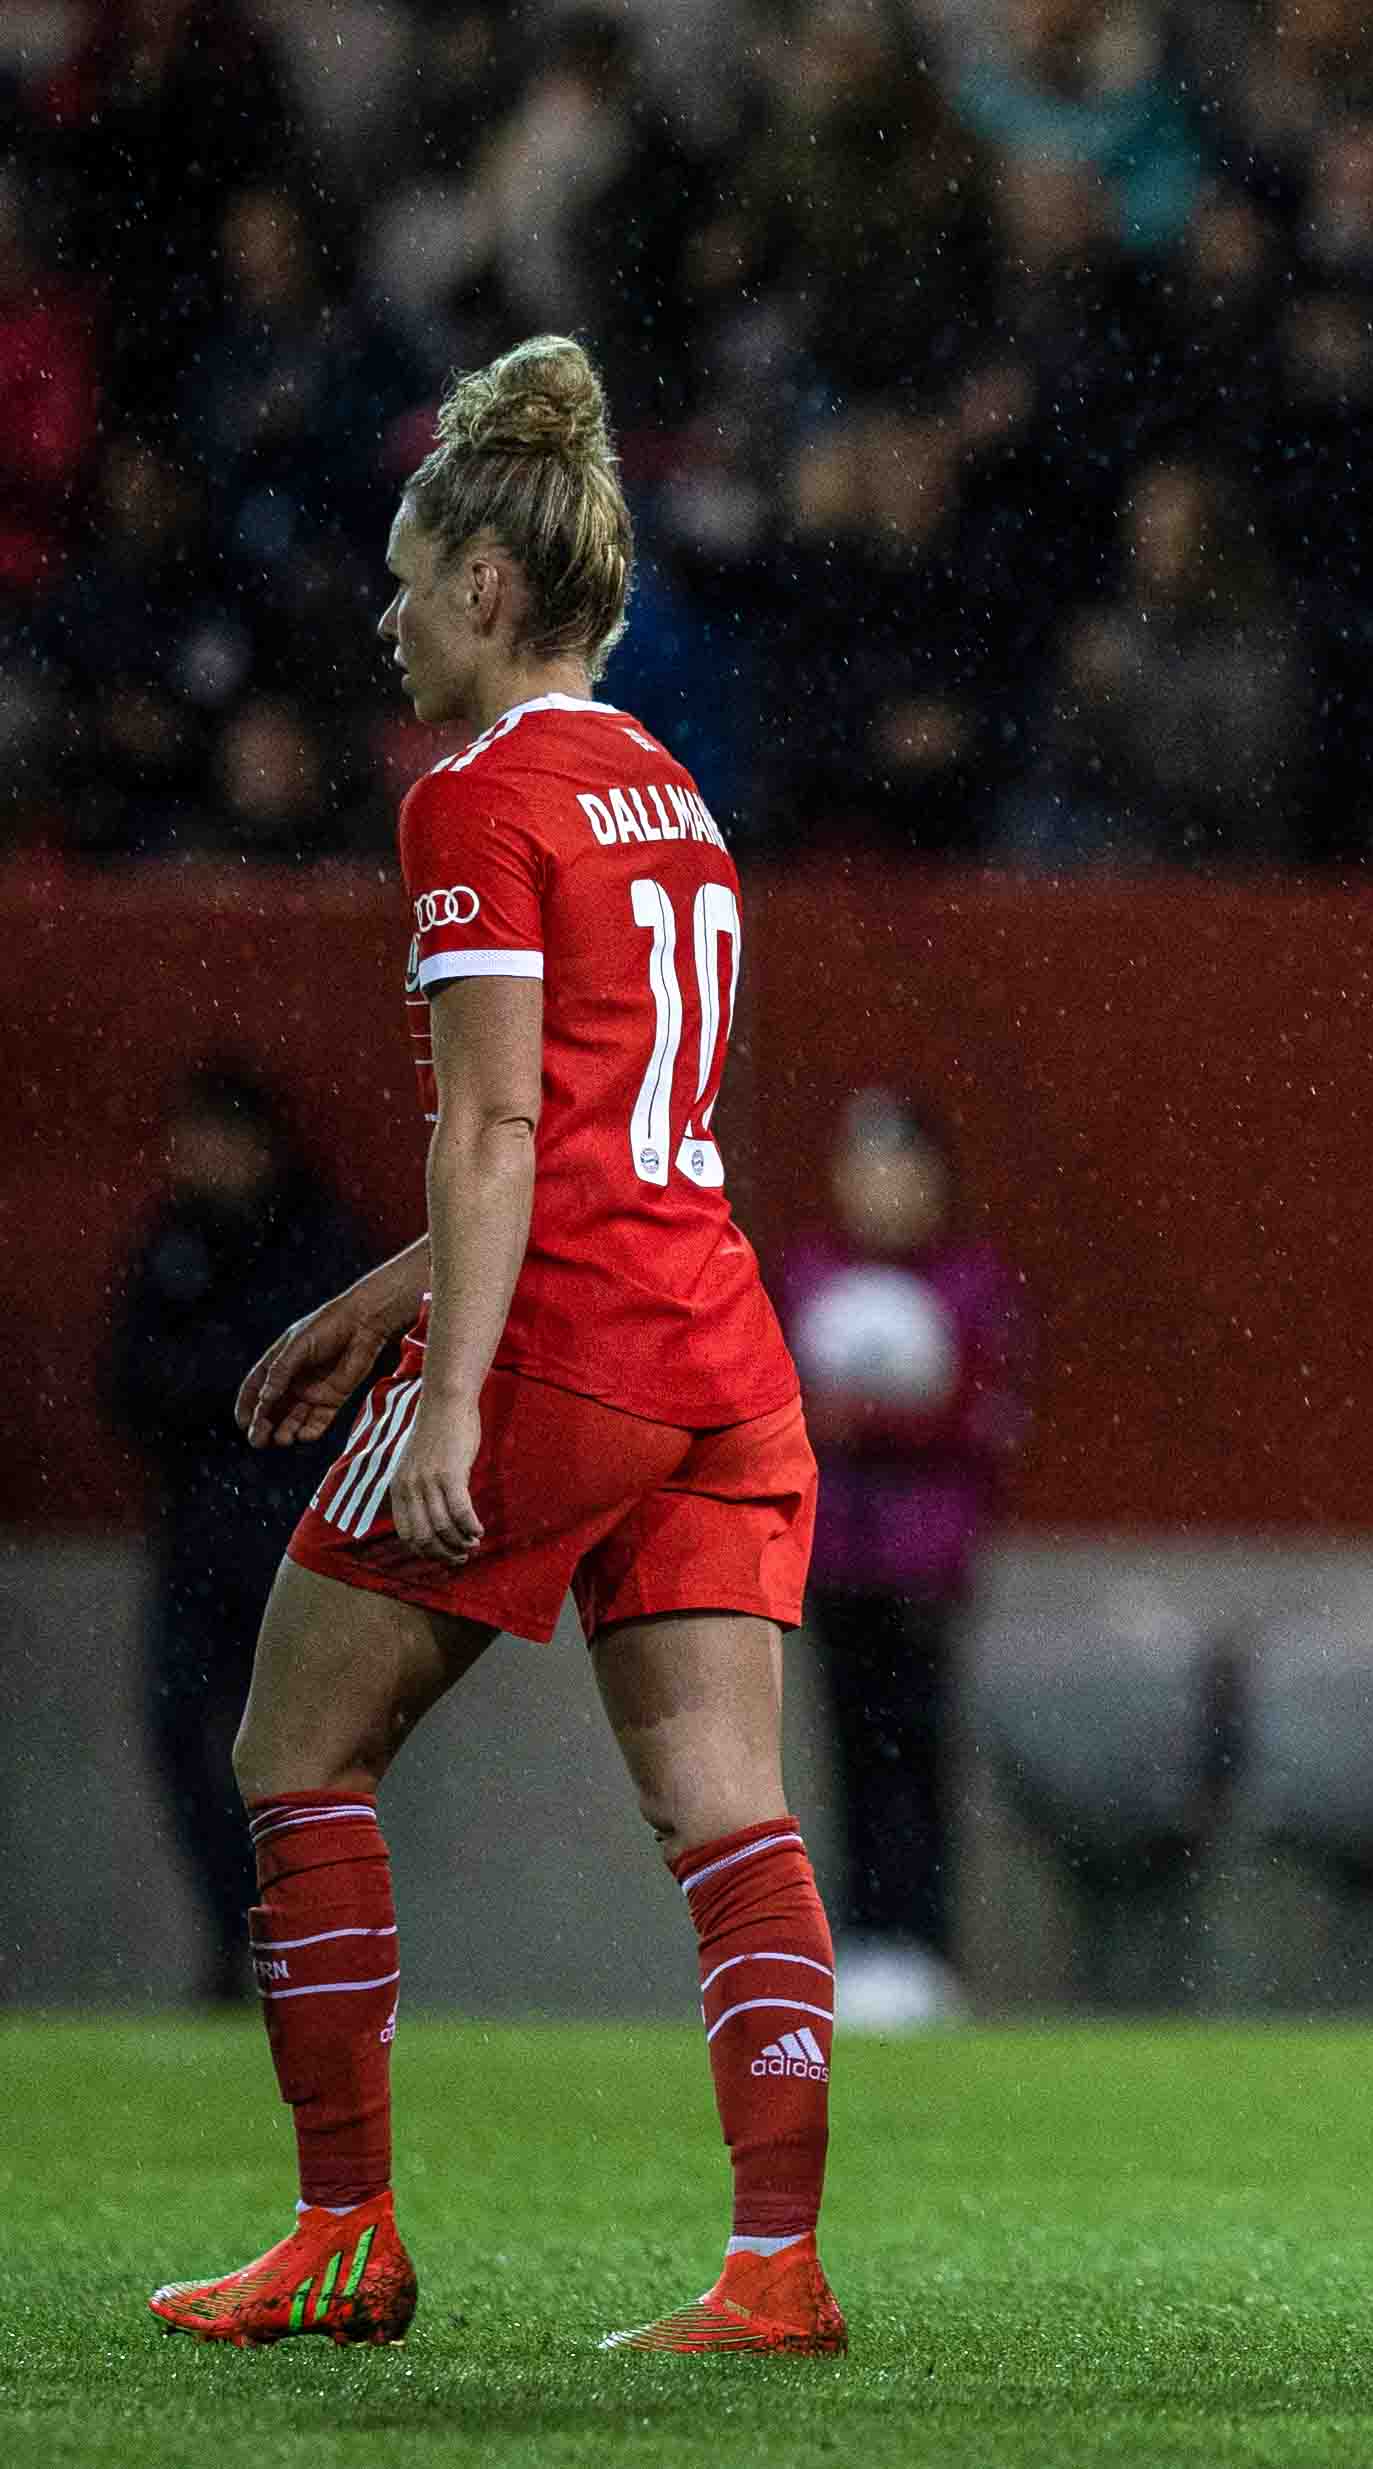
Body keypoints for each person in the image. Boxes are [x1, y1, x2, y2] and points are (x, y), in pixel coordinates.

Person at [143, 337, 841, 2357]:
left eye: (399, 575)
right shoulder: (672, 788)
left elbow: (499, 1121)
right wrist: (374, 1304)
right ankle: (773, 2265)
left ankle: (343, 2227)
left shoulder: (474, 792)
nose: (381, 614)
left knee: (291, 1742)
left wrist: (439, 1394)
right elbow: (622, 1114)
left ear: (482, 586)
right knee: (728, 1799)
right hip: (716, 1333)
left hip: (566, 1339)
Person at [99, 1060, 377, 2001]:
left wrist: (221, 1392)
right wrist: (239, 1387)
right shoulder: (172, 1241)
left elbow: (335, 1382)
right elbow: (130, 1383)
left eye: (213, 1137)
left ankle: (300, 1949)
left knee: (297, 1761)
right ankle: (246, 1934)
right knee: (185, 1737)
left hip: (298, 1541)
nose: (195, 1158)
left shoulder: (317, 1240)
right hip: (197, 1544)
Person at [779, 1091, 1026, 2033]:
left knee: (915, 1754)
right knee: (847, 1752)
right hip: (834, 1553)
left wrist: (874, 1421)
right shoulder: (807, 1272)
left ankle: (923, 1947)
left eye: (901, 1173)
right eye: (865, 1172)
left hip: (922, 1563)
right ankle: (860, 1943)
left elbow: (976, 1418)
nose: (882, 1193)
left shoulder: (969, 1282)